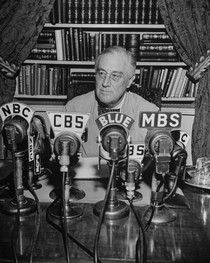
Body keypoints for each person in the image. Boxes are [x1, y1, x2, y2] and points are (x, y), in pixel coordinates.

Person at [65, 46, 159, 157]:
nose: (105, 83)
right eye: (101, 74)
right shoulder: (74, 108)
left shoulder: (149, 112)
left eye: (115, 76)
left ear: (129, 81)